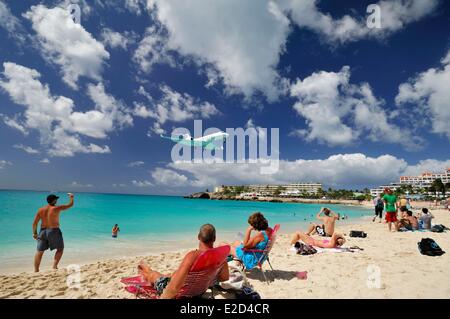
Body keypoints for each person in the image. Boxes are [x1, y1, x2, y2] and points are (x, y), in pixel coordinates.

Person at [138, 224, 229, 298]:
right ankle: (149, 270)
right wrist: (208, 277)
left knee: (153, 275)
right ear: (214, 238)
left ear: (198, 237)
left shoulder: (192, 256)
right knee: (172, 274)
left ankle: (145, 270)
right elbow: (224, 278)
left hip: (184, 293)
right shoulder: (221, 255)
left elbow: (175, 288)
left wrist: (163, 297)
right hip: (200, 291)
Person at [32, 193, 74, 272]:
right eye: (56, 199)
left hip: (42, 231)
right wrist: (71, 197)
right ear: (54, 200)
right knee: (60, 249)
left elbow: (34, 223)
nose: (57, 200)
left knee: (39, 251)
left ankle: (36, 270)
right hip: (53, 230)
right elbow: (70, 205)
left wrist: (34, 233)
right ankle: (54, 267)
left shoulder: (41, 209)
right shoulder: (57, 208)